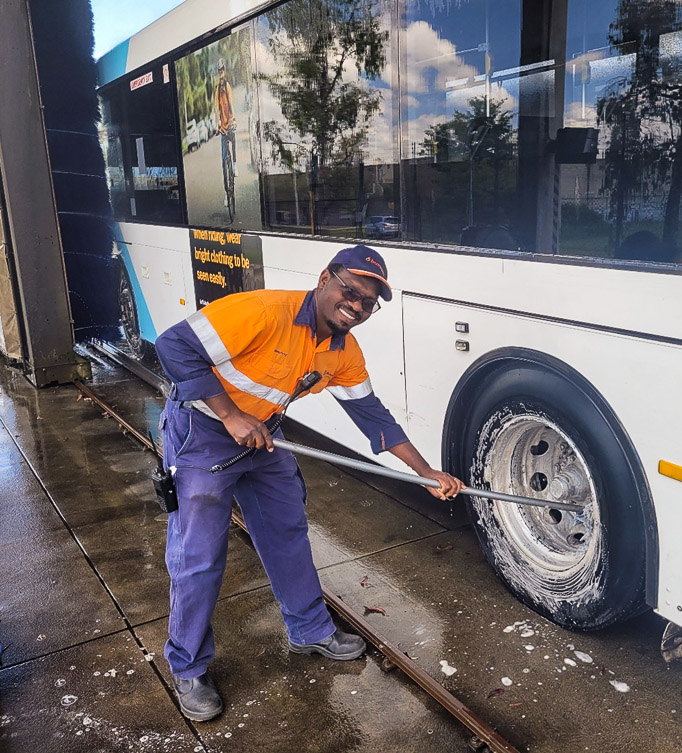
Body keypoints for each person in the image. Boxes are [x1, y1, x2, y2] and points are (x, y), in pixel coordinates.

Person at [154, 245, 464, 722]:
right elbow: (173, 346)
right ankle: (188, 668)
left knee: (287, 533)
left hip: (264, 438)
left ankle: (309, 629)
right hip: (202, 431)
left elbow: (372, 416)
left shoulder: (343, 351)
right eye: (350, 290)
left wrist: (425, 474)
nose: (356, 305)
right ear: (325, 279)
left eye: (368, 301)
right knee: (198, 556)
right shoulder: (262, 310)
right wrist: (231, 415)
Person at [215, 58, 237, 186]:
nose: (221, 73)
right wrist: (216, 125)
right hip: (223, 127)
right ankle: (226, 191)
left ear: (225, 71)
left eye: (222, 71)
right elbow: (216, 109)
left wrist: (233, 119)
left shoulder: (227, 86)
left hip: (229, 123)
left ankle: (234, 164)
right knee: (223, 158)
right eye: (219, 71)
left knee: (233, 139)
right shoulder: (217, 91)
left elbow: (231, 104)